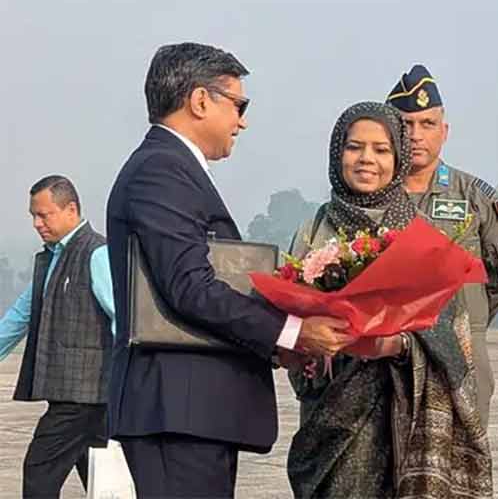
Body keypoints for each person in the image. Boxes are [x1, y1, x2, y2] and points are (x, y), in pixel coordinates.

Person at [105, 42, 355, 498]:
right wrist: (293, 331)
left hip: (193, 410)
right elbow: (191, 288)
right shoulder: (161, 171)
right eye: (239, 104)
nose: (243, 121)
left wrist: (278, 349)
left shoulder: (173, 169)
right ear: (200, 101)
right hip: (177, 410)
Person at [286, 102, 491, 499]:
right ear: (336, 153)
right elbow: (291, 323)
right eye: (354, 147)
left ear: (397, 159)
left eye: (381, 150)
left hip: (405, 422)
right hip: (331, 419)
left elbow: (455, 333)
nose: (367, 159)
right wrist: (313, 351)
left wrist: (397, 345)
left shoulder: (422, 238)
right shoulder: (313, 231)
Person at [386, 64, 498, 429]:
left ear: (443, 132)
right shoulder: (367, 198)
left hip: (461, 354)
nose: (415, 135)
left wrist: (466, 318)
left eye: (427, 124)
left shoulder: (476, 199)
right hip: (383, 356)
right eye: (405, 124)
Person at [0, 176, 114, 498]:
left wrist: (133, 382)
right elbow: (19, 317)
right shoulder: (51, 258)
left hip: (84, 397)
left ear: (71, 209)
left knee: (39, 472)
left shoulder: (97, 253)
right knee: (101, 481)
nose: (37, 224)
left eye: (44, 215)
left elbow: (121, 319)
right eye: (33, 216)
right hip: (79, 397)